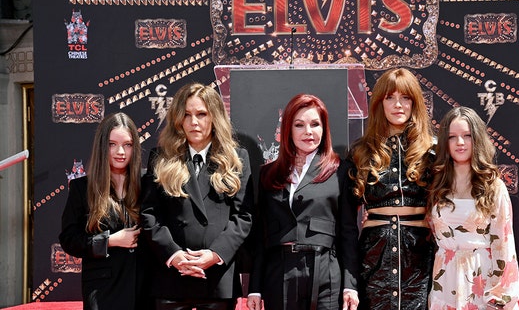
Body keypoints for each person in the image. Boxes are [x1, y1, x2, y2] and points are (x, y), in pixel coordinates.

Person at [140, 82, 253, 310]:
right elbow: (149, 215)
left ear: (215, 117)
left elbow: (243, 217)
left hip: (217, 279)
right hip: (171, 277)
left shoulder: (236, 158)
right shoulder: (160, 157)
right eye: (187, 114)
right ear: (178, 119)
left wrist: (214, 254)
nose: (194, 122)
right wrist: (175, 256)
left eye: (201, 114)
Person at [246, 94, 360, 310]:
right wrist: (255, 287)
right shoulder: (267, 174)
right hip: (278, 274)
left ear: (324, 128)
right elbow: (260, 234)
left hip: (326, 273)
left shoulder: (341, 171)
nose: (308, 131)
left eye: (315, 124)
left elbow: (348, 232)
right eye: (299, 125)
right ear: (288, 129)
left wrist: (350, 285)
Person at [348, 68, 436, 310]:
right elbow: (345, 218)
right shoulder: (361, 152)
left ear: (416, 102)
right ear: (379, 102)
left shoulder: (434, 151)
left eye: (405, 97)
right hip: (374, 253)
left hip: (421, 253)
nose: (398, 105)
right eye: (390, 97)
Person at [428, 106, 519, 310]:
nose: (460, 143)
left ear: (477, 138)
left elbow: (504, 245)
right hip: (445, 279)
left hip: (482, 279)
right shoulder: (436, 183)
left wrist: (499, 297)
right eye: (452, 137)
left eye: (467, 135)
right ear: (445, 142)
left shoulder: (493, 186)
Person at [59, 112, 150, 310]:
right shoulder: (82, 188)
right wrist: (110, 240)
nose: (120, 152)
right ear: (102, 146)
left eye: (127, 144)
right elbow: (69, 239)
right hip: (103, 290)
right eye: (112, 144)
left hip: (146, 288)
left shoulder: (149, 184)